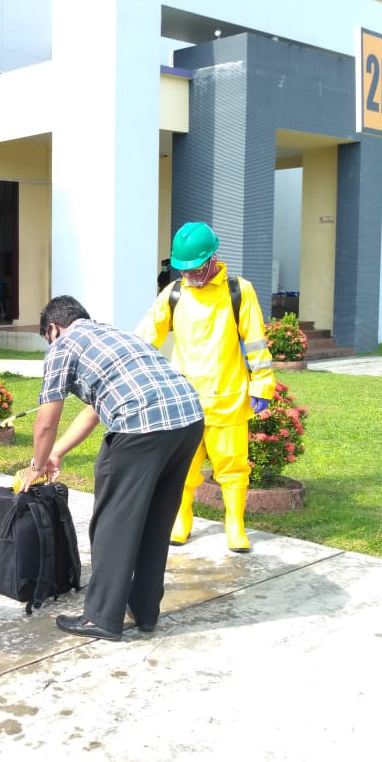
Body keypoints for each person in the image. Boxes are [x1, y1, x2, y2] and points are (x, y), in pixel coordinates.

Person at [18, 295, 204, 641]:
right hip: (188, 421)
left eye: (47, 336)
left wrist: (37, 466)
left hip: (142, 427)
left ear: (53, 328)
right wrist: (58, 453)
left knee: (113, 522)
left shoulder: (63, 345)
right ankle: (146, 610)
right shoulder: (116, 336)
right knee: (155, 521)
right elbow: (93, 411)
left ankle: (101, 616)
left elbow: (46, 421)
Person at [136, 221, 275, 553]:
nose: (190, 276)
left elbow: (255, 342)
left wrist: (262, 384)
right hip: (184, 402)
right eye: (183, 270)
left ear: (213, 258)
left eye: (195, 269)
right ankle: (181, 519)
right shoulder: (174, 294)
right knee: (180, 468)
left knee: (232, 467)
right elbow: (144, 338)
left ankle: (234, 524)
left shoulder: (239, 290)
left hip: (227, 399)